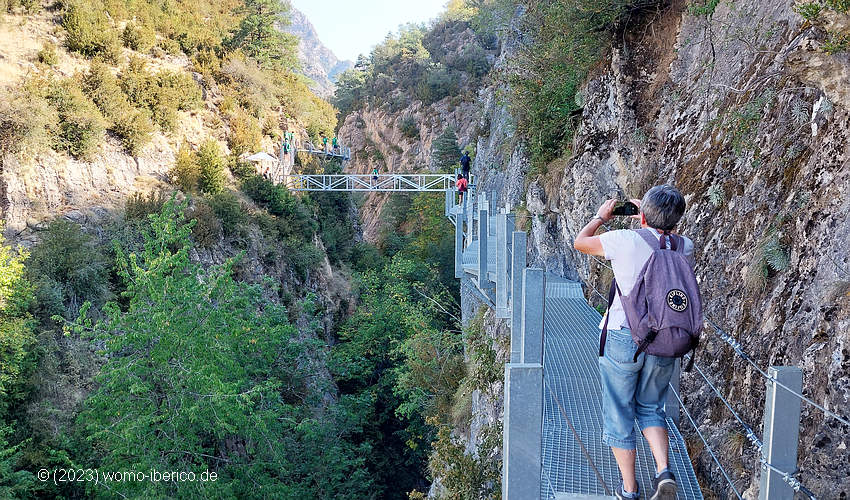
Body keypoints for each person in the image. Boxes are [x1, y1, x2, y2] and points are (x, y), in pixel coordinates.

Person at [573, 185, 692, 500]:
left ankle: (629, 490)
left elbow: (580, 242)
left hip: (624, 338)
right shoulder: (685, 246)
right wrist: (649, 214)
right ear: (677, 219)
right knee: (652, 406)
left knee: (619, 411)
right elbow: (664, 239)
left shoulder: (624, 241)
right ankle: (663, 471)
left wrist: (601, 216)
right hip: (665, 338)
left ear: (641, 215)